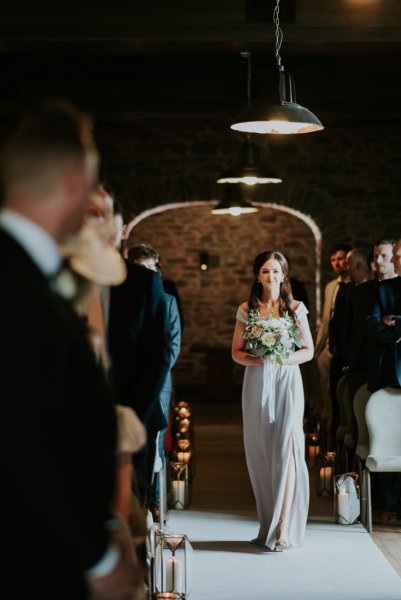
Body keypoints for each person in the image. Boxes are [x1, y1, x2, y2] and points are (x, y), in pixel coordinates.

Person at [0, 100, 141, 599]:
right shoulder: (17, 289)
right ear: (73, 181)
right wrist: (97, 559)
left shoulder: (31, 276)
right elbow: (21, 441)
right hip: (31, 562)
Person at [231, 251, 314, 552]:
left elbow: (308, 350)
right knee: (263, 451)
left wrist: (281, 359)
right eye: (265, 271)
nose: (271, 277)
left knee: (287, 449)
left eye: (276, 271)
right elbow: (237, 353)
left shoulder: (295, 308)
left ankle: (283, 527)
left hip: (288, 382)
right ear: (258, 275)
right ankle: (267, 520)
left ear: (284, 275)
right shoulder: (247, 309)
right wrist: (261, 360)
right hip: (257, 383)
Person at [128, 243, 181, 521]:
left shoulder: (168, 301)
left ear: (156, 270)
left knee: (156, 441)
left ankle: (155, 501)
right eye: (139, 269)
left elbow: (172, 346)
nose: (145, 275)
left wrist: (152, 378)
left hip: (158, 382)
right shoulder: (121, 300)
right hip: (127, 381)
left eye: (149, 269)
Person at [315, 243, 351, 437]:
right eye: (333, 260)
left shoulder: (352, 286)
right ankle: (326, 420)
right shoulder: (330, 286)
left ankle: (336, 426)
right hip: (325, 345)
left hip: (341, 347)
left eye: (341, 259)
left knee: (339, 391)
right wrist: (317, 348)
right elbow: (325, 320)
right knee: (324, 387)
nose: (337, 263)